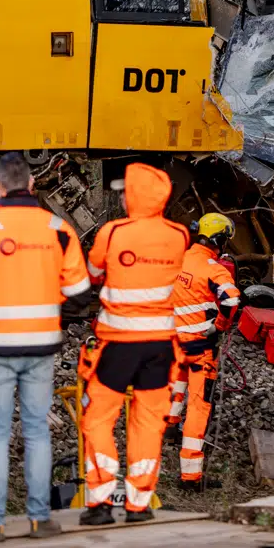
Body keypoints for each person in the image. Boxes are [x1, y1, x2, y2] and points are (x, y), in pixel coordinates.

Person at [0, 152, 94, 542]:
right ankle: (40, 519)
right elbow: (80, 295)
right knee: (37, 431)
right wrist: (52, 318)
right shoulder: (58, 230)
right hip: (41, 346)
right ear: (31, 184)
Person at [79, 163, 188, 526]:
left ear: (133, 196)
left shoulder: (113, 232)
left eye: (126, 192)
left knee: (98, 418)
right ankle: (138, 505)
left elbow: (93, 273)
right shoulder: (178, 235)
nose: (123, 198)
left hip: (118, 345)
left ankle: (100, 502)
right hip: (160, 346)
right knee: (148, 423)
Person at [167, 213, 241, 491]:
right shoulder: (214, 269)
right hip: (200, 346)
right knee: (199, 406)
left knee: (176, 385)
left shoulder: (179, 259)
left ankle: (169, 427)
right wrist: (219, 325)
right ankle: (190, 475)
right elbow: (232, 301)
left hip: (175, 339)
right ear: (219, 239)